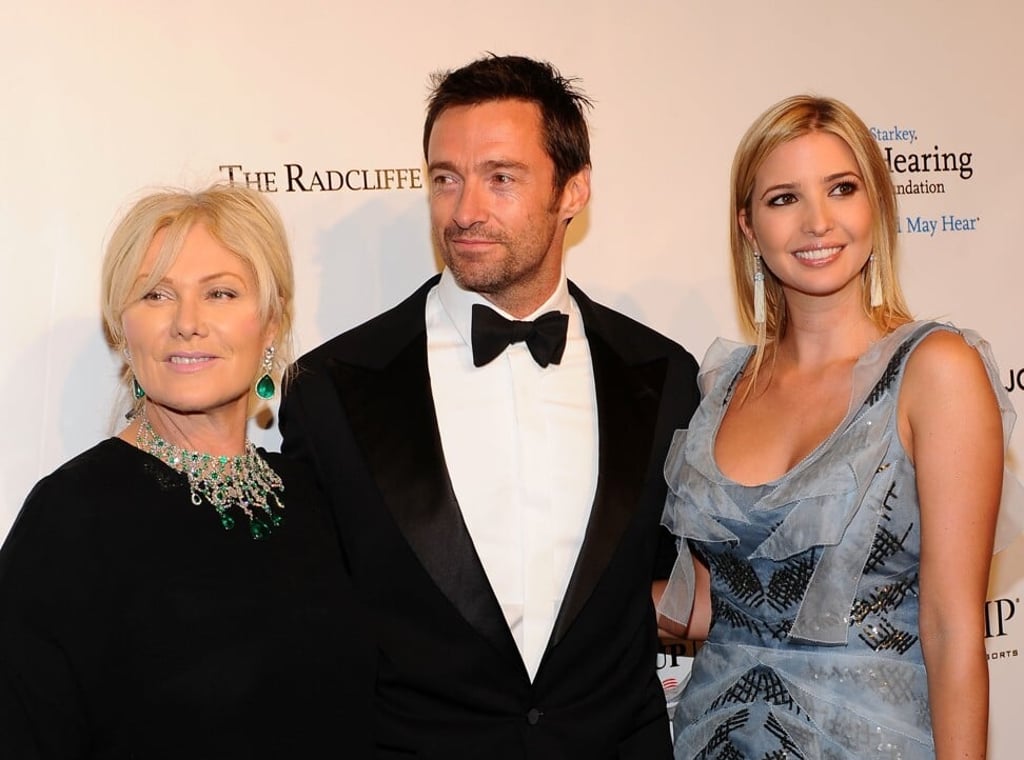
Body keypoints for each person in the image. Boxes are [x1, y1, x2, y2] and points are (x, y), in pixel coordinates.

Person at [279, 54, 700, 759]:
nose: (465, 210)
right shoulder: (333, 389)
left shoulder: (663, 377)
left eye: (501, 178)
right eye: (446, 179)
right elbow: (309, 626)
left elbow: (680, 582)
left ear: (574, 190)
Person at [658, 94, 1013, 759]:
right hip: (714, 739)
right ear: (748, 226)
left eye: (841, 189)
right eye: (784, 199)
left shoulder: (935, 370)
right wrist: (545, 610)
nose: (817, 223)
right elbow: (711, 607)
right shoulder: (723, 386)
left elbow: (952, 628)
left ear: (875, 205)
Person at [0, 184, 375, 758]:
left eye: (221, 293)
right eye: (156, 295)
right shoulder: (69, 517)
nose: (186, 323)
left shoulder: (315, 498)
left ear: (270, 324)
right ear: (122, 331)